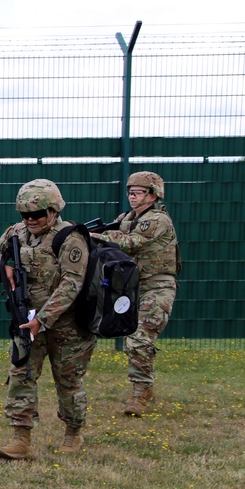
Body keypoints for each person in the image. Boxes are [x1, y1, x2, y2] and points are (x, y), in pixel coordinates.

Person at [0, 179, 96, 460]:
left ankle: (73, 432)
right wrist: (3, 269)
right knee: (21, 375)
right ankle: (20, 438)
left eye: (37, 214)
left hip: (67, 325)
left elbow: (72, 283)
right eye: (24, 214)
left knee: (68, 381)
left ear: (53, 210)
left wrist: (44, 319)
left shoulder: (70, 238)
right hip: (26, 319)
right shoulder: (17, 233)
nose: (30, 220)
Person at [93, 171, 180, 416]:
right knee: (129, 335)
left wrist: (97, 236)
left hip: (157, 286)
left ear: (153, 195)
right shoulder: (126, 218)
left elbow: (131, 242)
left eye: (138, 192)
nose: (132, 196)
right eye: (130, 192)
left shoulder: (158, 220)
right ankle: (144, 387)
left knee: (139, 338)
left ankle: (140, 394)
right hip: (131, 287)